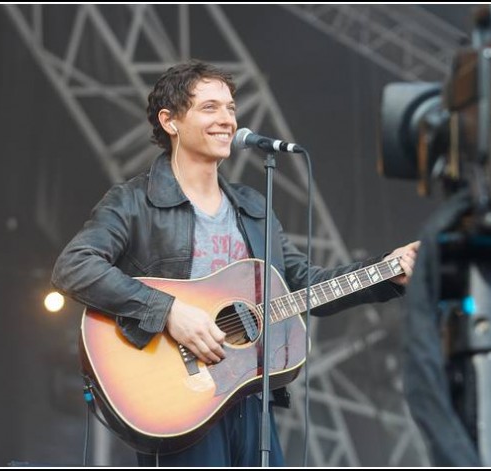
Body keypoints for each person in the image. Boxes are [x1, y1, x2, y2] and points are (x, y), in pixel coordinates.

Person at [52, 60, 420, 467]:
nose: (227, 119)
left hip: (250, 395)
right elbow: (75, 266)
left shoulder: (254, 207)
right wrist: (169, 311)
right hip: (178, 398)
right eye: (210, 108)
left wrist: (388, 272)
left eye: (231, 108)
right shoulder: (135, 201)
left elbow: (304, 284)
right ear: (170, 121)